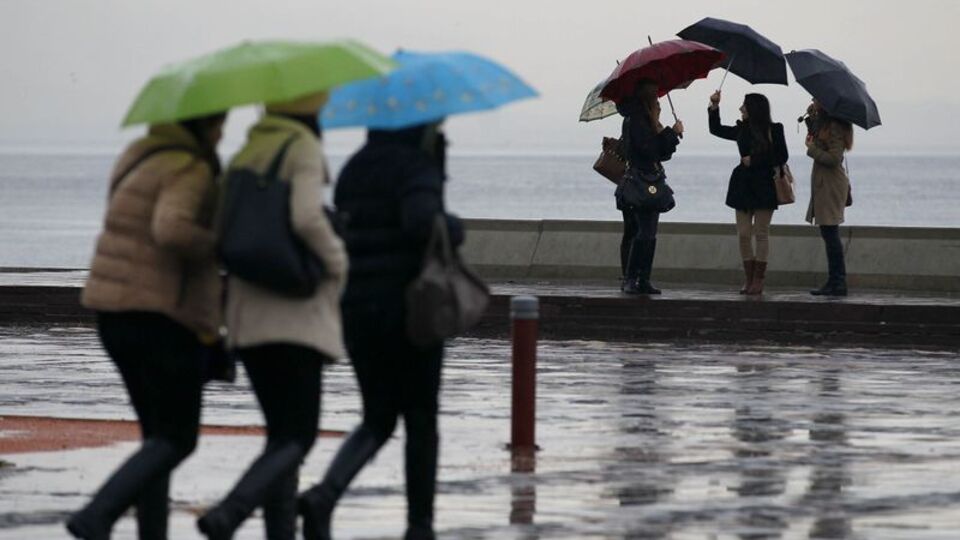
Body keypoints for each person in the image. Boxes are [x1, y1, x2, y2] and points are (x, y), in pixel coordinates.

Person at [297, 120, 463, 540]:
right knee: (421, 418)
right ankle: (420, 525)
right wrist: (452, 223)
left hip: (357, 308)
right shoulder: (415, 166)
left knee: (377, 417)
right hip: (409, 309)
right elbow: (422, 223)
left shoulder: (354, 167)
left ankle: (325, 495)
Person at [67, 111, 227, 540]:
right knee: (178, 438)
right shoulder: (187, 167)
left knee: (157, 439)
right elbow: (171, 229)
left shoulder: (137, 156)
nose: (222, 133)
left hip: (112, 312)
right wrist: (218, 244)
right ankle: (97, 515)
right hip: (160, 317)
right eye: (218, 124)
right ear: (201, 126)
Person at [196, 92, 347, 540]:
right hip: (294, 319)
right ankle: (230, 512)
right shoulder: (301, 147)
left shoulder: (247, 151)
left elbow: (221, 227)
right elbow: (307, 218)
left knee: (281, 438)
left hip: (248, 320)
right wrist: (338, 262)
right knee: (298, 437)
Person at [708, 91, 788, 295]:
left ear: (754, 108)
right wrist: (714, 106)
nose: (741, 108)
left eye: (744, 105)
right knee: (743, 234)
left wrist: (755, 160)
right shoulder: (742, 129)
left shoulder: (775, 129)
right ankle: (749, 277)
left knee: (761, 233)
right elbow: (716, 129)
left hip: (765, 186)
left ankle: (758, 280)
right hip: (743, 185)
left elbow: (782, 155)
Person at [616, 80, 683, 295]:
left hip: (643, 181)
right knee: (644, 232)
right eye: (655, 96)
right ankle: (633, 278)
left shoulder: (643, 119)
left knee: (648, 232)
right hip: (640, 182)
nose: (659, 101)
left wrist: (669, 134)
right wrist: (671, 133)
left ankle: (642, 278)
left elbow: (661, 153)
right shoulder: (637, 119)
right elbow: (650, 150)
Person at [804, 99, 853, 296]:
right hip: (825, 183)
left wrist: (811, 149)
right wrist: (812, 119)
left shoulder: (835, 126)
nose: (813, 100)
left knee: (831, 233)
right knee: (828, 233)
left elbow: (833, 158)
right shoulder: (825, 123)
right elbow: (821, 142)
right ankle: (835, 281)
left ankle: (838, 282)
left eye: (816, 98)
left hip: (830, 185)